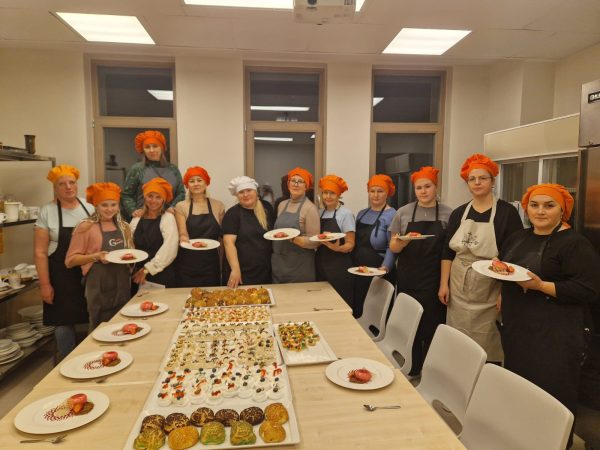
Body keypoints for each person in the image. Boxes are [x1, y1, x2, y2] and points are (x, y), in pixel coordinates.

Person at [499, 183, 600, 445]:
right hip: (519, 329)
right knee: (522, 388)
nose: (540, 211)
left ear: (563, 210)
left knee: (553, 393)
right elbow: (506, 268)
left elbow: (589, 289)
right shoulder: (518, 237)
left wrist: (541, 286)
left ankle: (557, 443)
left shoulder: (574, 243)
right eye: (534, 205)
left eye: (549, 205)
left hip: (556, 334)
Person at [439, 153, 522, 362]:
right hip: (458, 283)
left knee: (487, 339)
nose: (477, 183)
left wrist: (505, 292)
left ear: (492, 181)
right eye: (472, 179)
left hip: (490, 285)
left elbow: (514, 255)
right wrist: (443, 284)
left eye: (483, 178)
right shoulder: (459, 213)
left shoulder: (507, 212)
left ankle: (486, 375)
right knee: (458, 335)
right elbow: (447, 252)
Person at [389, 166, 452, 376]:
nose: (423, 191)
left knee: (433, 326)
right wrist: (403, 241)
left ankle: (431, 372)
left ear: (436, 187)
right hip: (408, 278)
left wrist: (444, 284)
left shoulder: (449, 213)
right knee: (410, 325)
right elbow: (393, 248)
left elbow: (449, 251)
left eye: (427, 186)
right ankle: (412, 367)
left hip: (434, 279)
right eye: (419, 188)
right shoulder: (403, 212)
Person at [33, 165, 93, 362]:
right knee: (63, 320)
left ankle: (91, 359)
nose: (68, 187)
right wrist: (44, 284)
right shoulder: (47, 211)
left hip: (88, 271)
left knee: (92, 315)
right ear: (55, 187)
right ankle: (66, 362)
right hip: (60, 274)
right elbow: (40, 252)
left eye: (72, 182)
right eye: (62, 184)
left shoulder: (90, 208)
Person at [66, 182, 133, 330]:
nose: (109, 209)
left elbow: (131, 253)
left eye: (113, 205)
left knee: (123, 325)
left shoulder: (124, 227)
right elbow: (70, 261)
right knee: (99, 327)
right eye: (104, 205)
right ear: (96, 206)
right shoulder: (85, 226)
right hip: (98, 284)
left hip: (122, 284)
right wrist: (96, 256)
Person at [352, 174, 397, 318]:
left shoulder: (393, 215)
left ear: (387, 193)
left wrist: (385, 267)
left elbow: (392, 246)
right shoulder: (361, 214)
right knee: (359, 309)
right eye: (372, 191)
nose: (375, 195)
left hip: (379, 270)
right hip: (359, 270)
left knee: (376, 313)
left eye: (380, 191)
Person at [174, 166, 224, 287]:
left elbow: (222, 237)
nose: (196, 184)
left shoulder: (218, 205)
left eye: (199, 180)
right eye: (192, 181)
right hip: (187, 262)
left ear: (206, 183)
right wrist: (183, 238)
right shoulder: (181, 206)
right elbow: (183, 233)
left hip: (211, 262)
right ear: (187, 185)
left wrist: (223, 264)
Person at [222, 176, 275, 288]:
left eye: (249, 190)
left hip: (264, 269)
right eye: (241, 192)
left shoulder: (267, 208)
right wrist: (235, 269)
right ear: (237, 195)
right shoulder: (232, 214)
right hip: (241, 272)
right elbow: (228, 243)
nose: (245, 195)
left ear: (256, 192)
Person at [121, 130, 185, 219]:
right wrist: (133, 210)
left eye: (155, 146)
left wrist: (173, 207)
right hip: (143, 217)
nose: (151, 150)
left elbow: (181, 193)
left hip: (168, 217)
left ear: (161, 148)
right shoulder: (137, 169)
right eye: (147, 147)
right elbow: (126, 194)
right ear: (143, 150)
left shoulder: (173, 169)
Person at [271, 167, 320, 283]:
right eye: (293, 180)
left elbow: (315, 242)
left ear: (306, 186)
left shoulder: (310, 208)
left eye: (300, 181)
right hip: (279, 265)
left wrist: (292, 238)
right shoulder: (282, 205)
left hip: (299, 266)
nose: (296, 184)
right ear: (288, 184)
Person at [130, 178, 179, 292]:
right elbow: (129, 243)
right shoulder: (136, 218)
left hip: (160, 272)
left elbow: (170, 248)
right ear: (145, 197)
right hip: (137, 273)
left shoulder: (168, 218)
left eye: (158, 197)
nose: (153, 200)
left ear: (163, 200)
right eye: (150, 196)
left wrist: (147, 269)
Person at [315, 174, 356, 308]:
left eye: (332, 193)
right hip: (321, 265)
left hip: (339, 267)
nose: (328, 196)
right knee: (322, 305)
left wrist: (337, 248)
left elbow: (350, 244)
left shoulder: (346, 214)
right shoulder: (319, 213)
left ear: (339, 195)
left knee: (340, 305)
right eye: (325, 192)